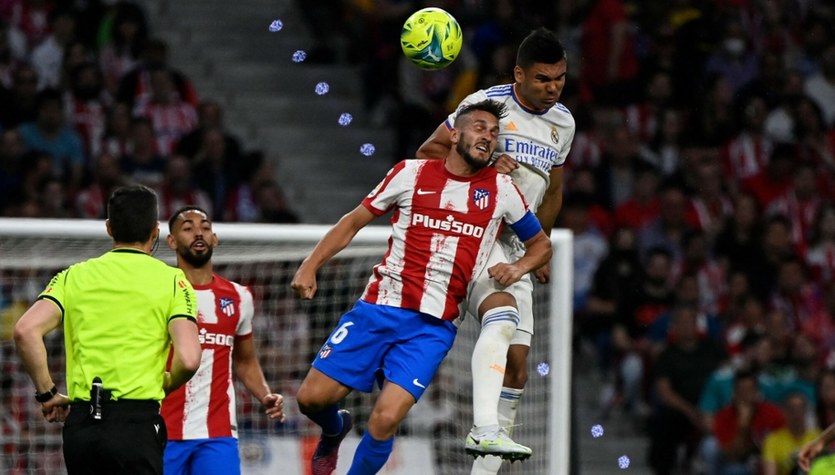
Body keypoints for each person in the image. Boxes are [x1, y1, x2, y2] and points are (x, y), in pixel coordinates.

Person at [292, 100, 552, 475]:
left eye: (494, 133)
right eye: (480, 128)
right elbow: (353, 221)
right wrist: (311, 264)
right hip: (378, 307)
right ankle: (334, 430)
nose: (488, 137)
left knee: (385, 420)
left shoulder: (502, 189)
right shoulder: (409, 173)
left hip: (431, 327)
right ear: (456, 134)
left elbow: (541, 244)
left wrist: (519, 266)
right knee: (310, 400)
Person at [415, 27, 575, 471]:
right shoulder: (485, 105)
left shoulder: (564, 122)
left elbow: (554, 191)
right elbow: (427, 152)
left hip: (518, 243)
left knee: (519, 369)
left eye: (560, 78)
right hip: (475, 232)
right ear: (519, 74)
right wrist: (484, 160)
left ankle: (484, 466)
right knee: (501, 323)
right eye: (543, 79)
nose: (553, 88)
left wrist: (537, 248)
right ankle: (482, 425)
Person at [12, 184, 202, 474]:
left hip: (83, 425)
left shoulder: (73, 276)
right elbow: (189, 359)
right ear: (155, 231)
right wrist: (166, 382)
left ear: (109, 228)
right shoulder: (173, 281)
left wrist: (47, 394)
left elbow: (25, 331)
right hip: (136, 423)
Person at [161, 206, 285, 474]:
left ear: (214, 238)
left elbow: (245, 360)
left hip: (217, 432)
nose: (198, 233)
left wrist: (264, 394)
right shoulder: (158, 293)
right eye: (188, 227)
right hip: (162, 429)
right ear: (171, 241)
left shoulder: (239, 297)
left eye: (205, 227)